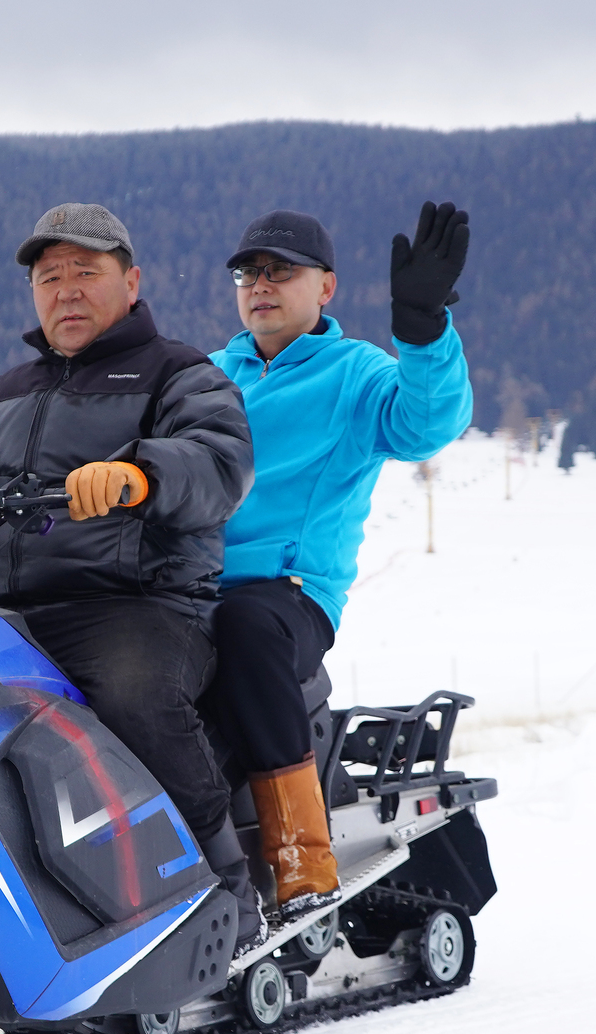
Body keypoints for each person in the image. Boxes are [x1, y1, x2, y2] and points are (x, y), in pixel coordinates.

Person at [0, 202, 258, 920]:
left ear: (132, 281)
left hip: (138, 605)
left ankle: (225, 886)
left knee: (134, 694)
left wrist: (141, 474)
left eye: (86, 271)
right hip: (8, 614)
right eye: (50, 277)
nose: (66, 290)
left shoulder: (180, 372)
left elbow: (220, 460)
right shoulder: (3, 396)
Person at [207, 203, 473, 938]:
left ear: (325, 288)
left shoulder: (354, 374)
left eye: (280, 271)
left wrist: (422, 326)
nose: (260, 284)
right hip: (185, 587)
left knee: (245, 626)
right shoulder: (207, 375)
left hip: (286, 597)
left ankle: (302, 860)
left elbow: (426, 424)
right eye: (248, 272)